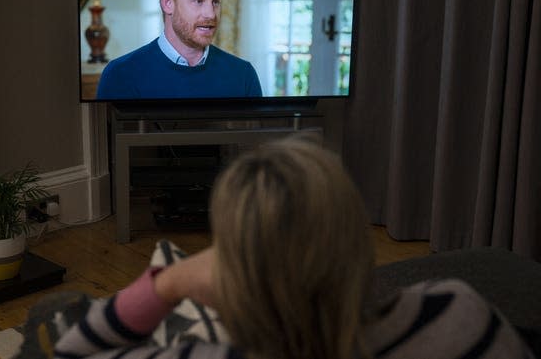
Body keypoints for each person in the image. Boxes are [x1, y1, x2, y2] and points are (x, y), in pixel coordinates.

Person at [52, 135, 534, 359]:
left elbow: (69, 351)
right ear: (354, 236)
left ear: (234, 275)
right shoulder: (460, 312)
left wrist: (172, 280)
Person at [96, 0, 263, 99]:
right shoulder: (120, 75)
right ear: (168, 3)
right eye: (199, 1)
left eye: (216, 2)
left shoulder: (243, 75)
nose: (211, 14)